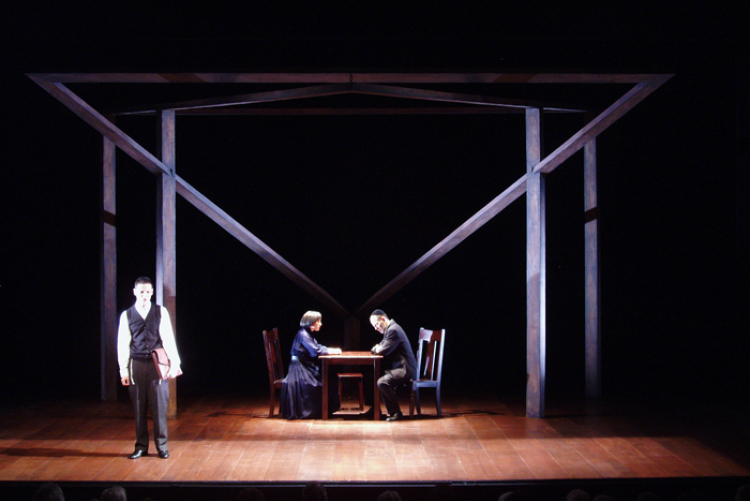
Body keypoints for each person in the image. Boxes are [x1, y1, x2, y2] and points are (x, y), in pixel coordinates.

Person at [117, 276, 182, 459]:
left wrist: (174, 364)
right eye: (141, 292)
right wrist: (124, 370)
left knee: (159, 406)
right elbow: (123, 344)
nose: (144, 295)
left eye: (147, 292)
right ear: (135, 292)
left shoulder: (160, 312)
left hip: (156, 365)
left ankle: (162, 446)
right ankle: (141, 446)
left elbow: (168, 339)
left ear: (152, 292)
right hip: (137, 365)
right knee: (139, 407)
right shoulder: (127, 315)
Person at [280, 311, 342, 419]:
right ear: (311, 322)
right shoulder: (303, 335)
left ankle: (326, 410)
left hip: (305, 366)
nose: (320, 324)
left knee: (331, 377)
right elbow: (315, 351)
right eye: (318, 321)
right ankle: (319, 411)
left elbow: (317, 346)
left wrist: (330, 349)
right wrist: (332, 351)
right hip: (299, 369)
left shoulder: (307, 333)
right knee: (324, 381)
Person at [369, 309, 417, 421]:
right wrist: (377, 348)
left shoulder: (393, 330)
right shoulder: (389, 329)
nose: (375, 328)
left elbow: (382, 350)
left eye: (376, 324)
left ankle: (396, 412)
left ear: (383, 319)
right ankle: (375, 409)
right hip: (400, 367)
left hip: (406, 369)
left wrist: (377, 349)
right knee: (371, 377)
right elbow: (379, 347)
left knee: (382, 382)